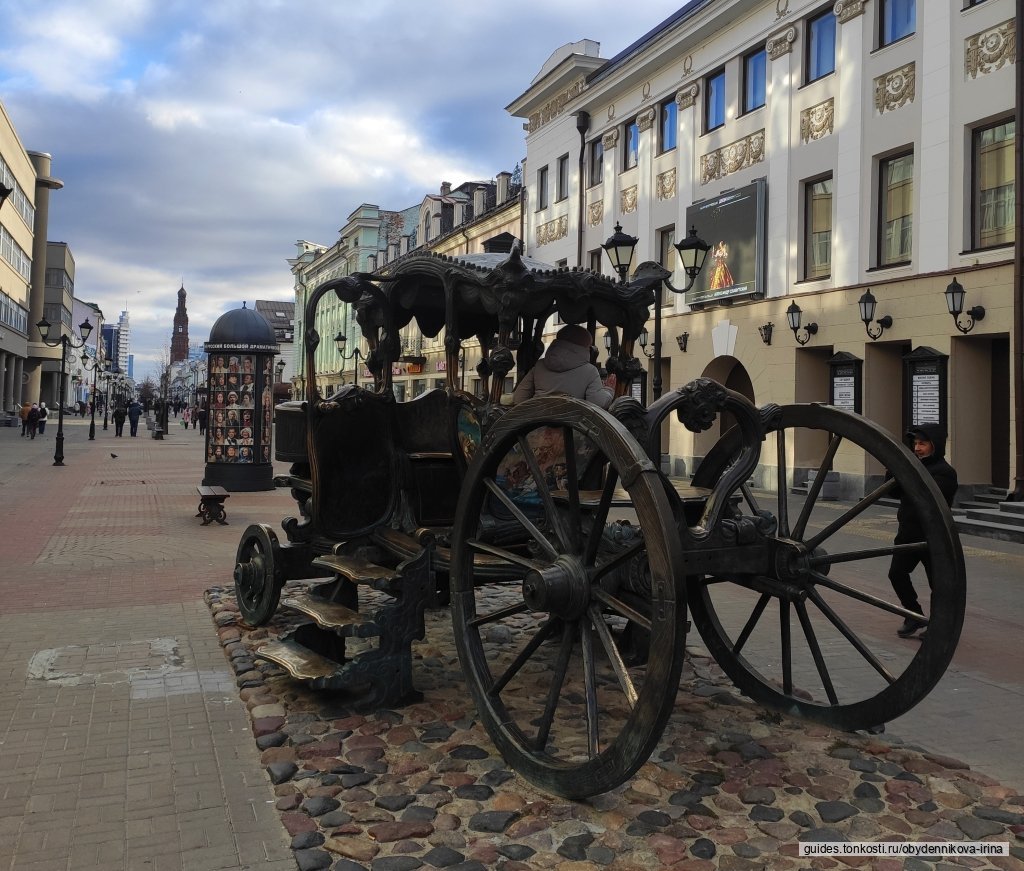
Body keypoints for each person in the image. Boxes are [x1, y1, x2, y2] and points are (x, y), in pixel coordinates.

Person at [888, 423, 959, 638]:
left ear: (935, 446)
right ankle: (913, 615)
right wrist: (894, 467)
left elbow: (926, 496)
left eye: (923, 444)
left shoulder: (945, 472)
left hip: (933, 538)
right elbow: (892, 491)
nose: (917, 448)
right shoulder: (913, 466)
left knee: (937, 583)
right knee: (896, 574)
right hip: (908, 533)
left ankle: (939, 625)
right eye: (915, 443)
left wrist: (906, 470)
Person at [512, 324, 613, 409]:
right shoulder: (590, 371)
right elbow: (598, 402)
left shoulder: (539, 365)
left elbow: (519, 397)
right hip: (573, 428)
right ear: (585, 347)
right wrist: (609, 390)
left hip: (538, 423)